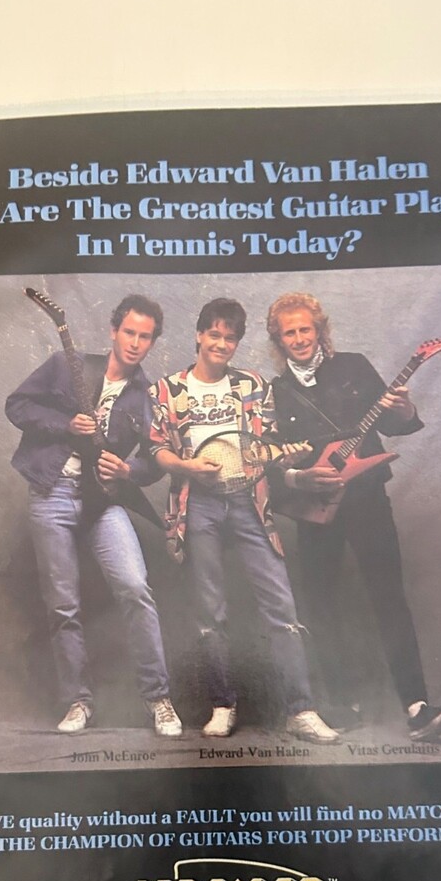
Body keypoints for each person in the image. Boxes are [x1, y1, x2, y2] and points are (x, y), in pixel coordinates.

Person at [264, 292, 441, 742]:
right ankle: (340, 703)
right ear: (278, 339)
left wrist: (404, 409)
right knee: (321, 605)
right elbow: (271, 461)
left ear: (320, 331)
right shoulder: (276, 391)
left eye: (306, 329)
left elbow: (395, 424)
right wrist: (300, 477)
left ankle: (418, 707)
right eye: (290, 332)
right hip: (316, 507)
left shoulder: (353, 366)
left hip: (367, 497)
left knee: (389, 597)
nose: (299, 338)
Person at [148, 297, 338, 744]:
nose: (221, 344)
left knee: (281, 608)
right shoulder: (167, 390)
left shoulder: (252, 384)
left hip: (250, 502)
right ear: (199, 335)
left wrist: (286, 455)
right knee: (209, 611)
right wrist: (186, 466)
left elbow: (268, 444)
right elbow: (157, 449)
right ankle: (222, 705)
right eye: (214, 335)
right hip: (198, 504)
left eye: (230, 338)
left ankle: (301, 710)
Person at [5, 294, 182, 738]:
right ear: (113, 331)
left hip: (102, 501)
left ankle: (158, 699)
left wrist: (128, 470)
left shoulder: (149, 397)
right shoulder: (69, 366)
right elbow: (17, 406)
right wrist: (65, 425)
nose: (135, 343)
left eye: (145, 337)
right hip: (51, 493)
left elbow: (156, 459)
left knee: (135, 587)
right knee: (63, 604)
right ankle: (78, 702)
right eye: (129, 332)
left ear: (153, 341)